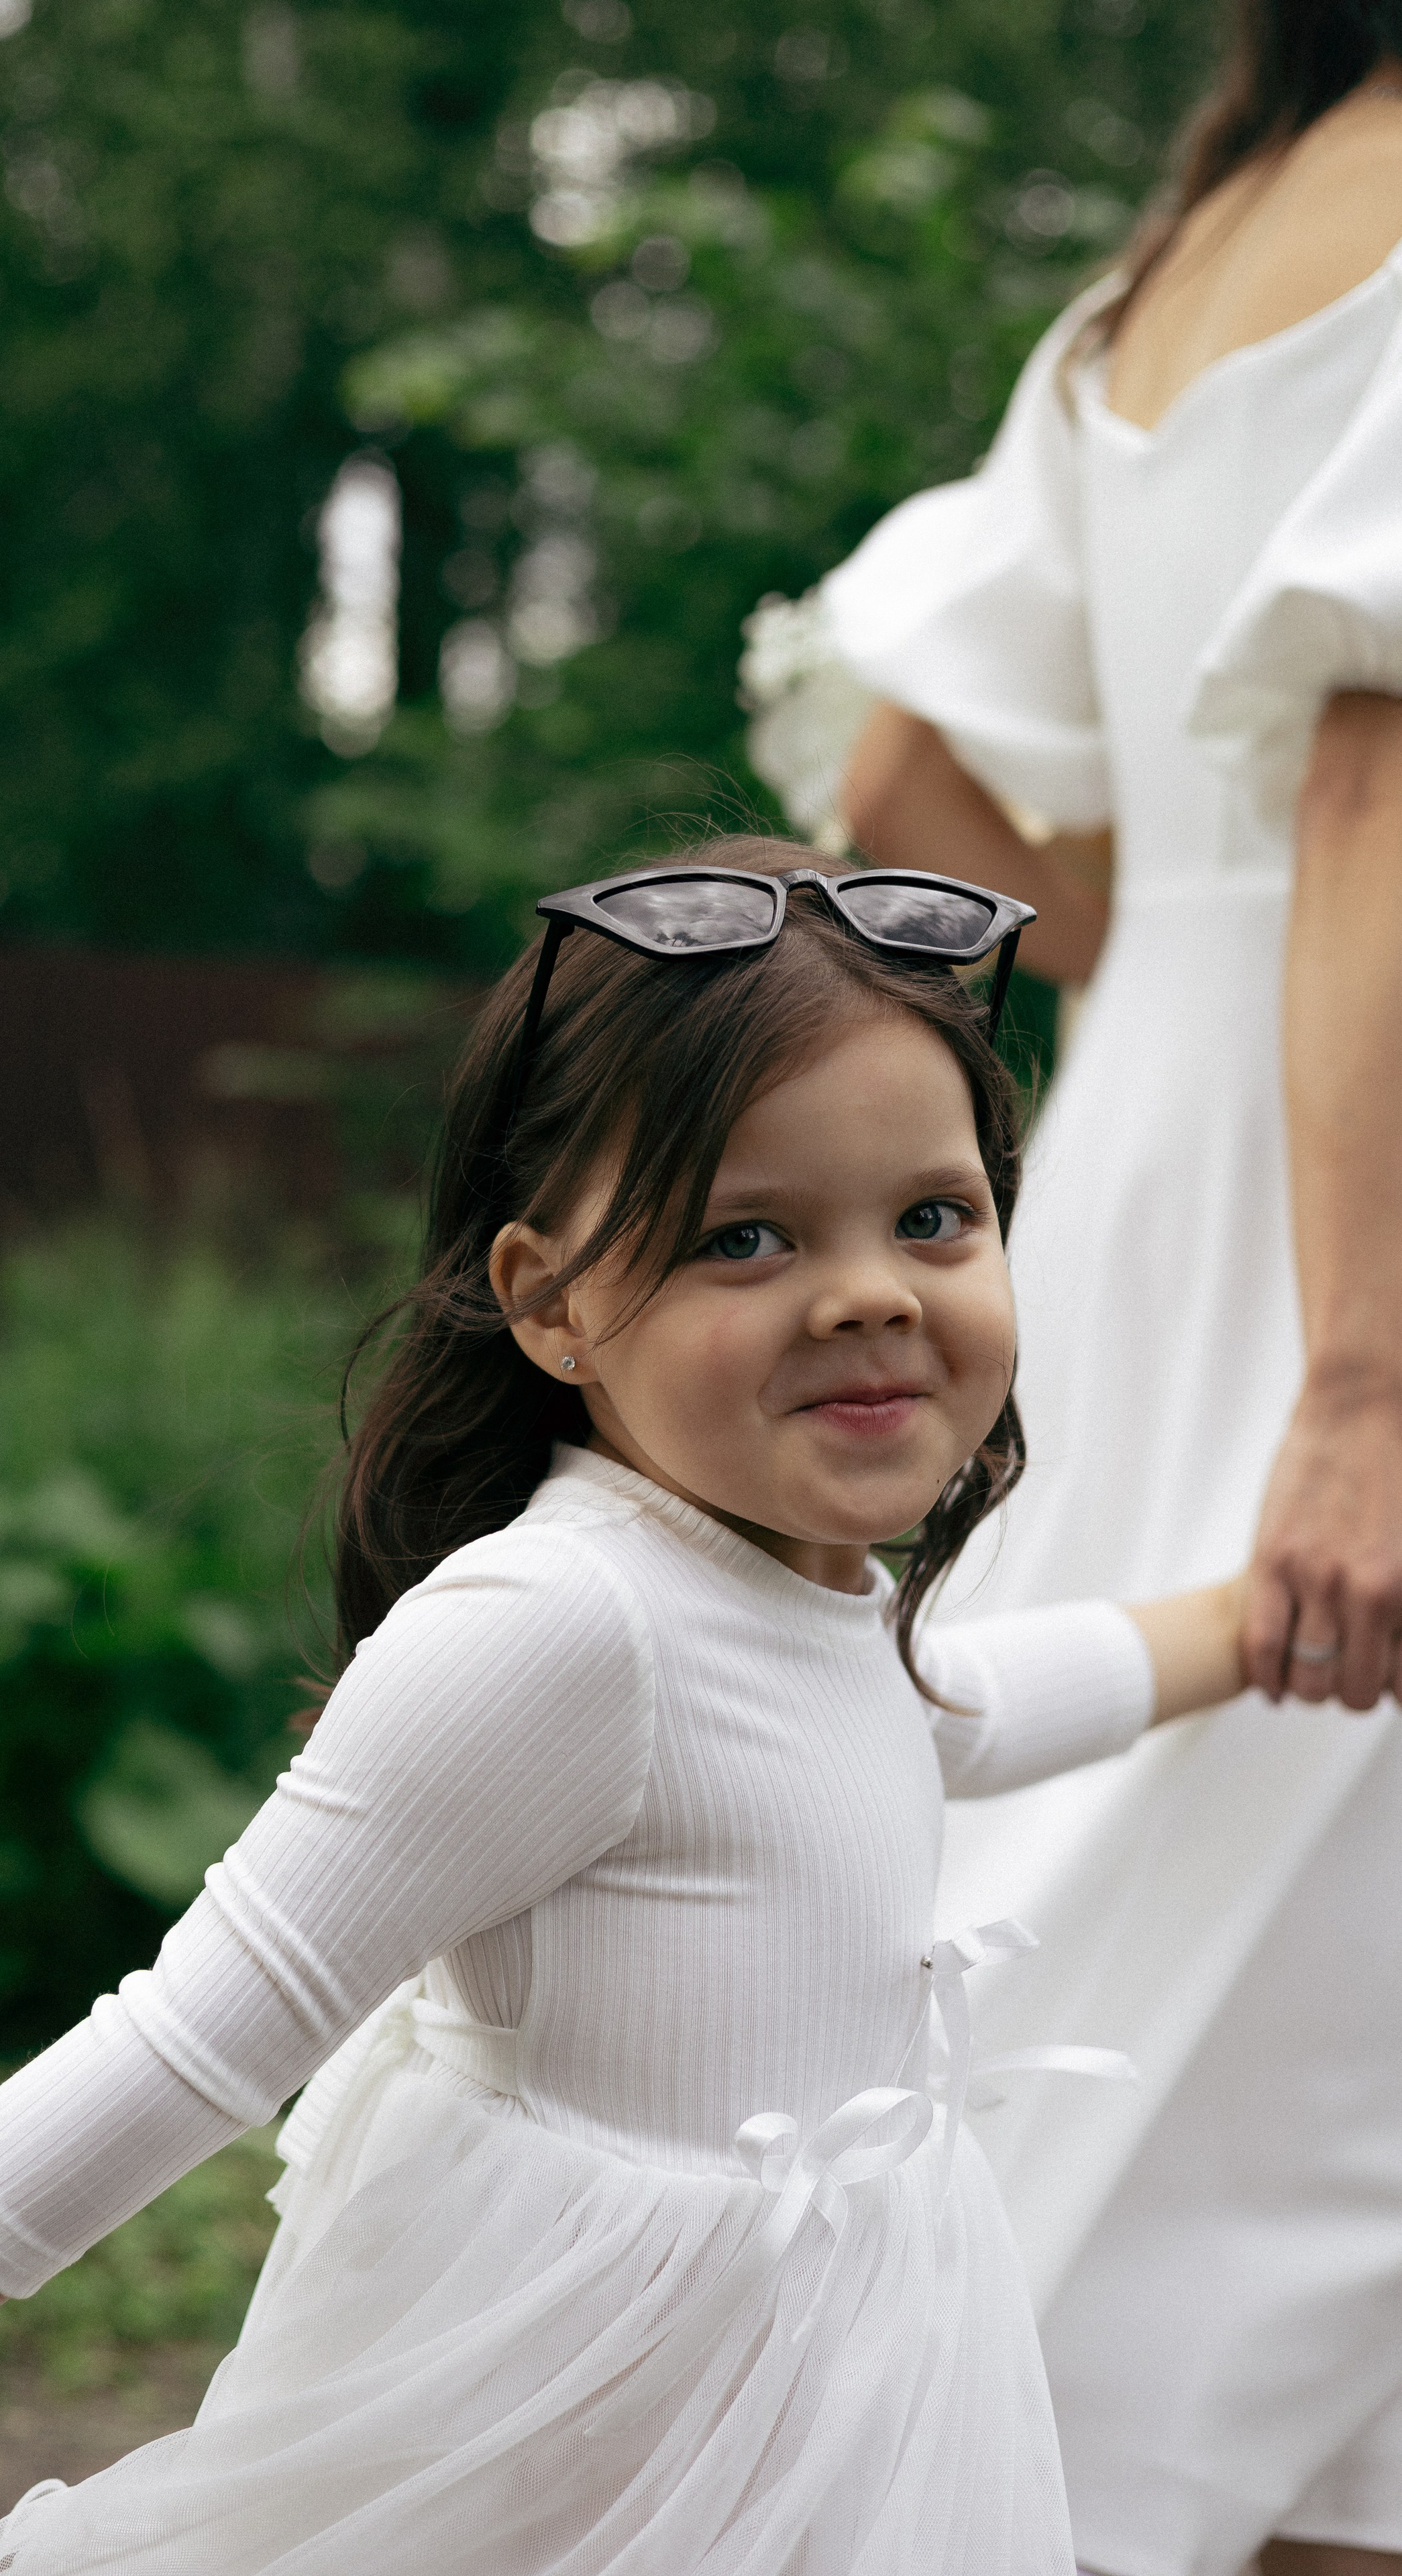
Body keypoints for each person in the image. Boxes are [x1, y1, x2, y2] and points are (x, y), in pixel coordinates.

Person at [0, 839, 1266, 2576]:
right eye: (747, 1234)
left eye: (934, 1217)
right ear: (551, 1302)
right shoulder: (563, 1625)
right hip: (588, 2431)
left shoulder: (797, 1581)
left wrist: (1248, 1626)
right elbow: (191, 2042)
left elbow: (949, 1712)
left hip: (818, 2387)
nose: (876, 1288)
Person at [739, 10, 1402, 2574]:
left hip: (1149, 1181)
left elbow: (909, 779)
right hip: (1349, 1249)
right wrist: (1358, 1384)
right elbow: (1370, 777)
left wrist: (1182, 996)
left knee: (1243, 2072)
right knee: (1273, 2098)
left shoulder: (1167, 270)